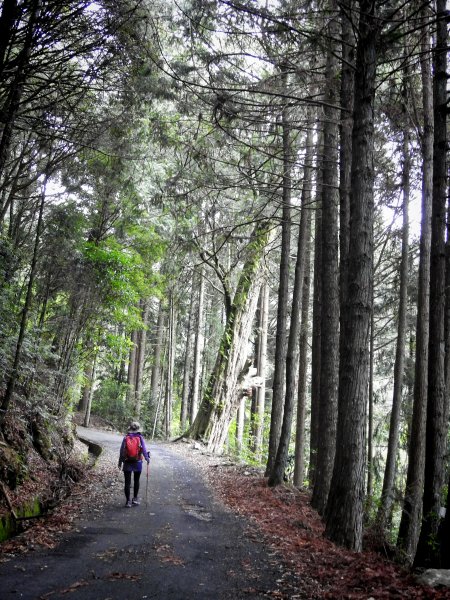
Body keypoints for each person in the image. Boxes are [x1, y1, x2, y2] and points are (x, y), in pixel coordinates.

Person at [118, 421, 150, 508]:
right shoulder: (140, 437)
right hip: (137, 462)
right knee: (136, 480)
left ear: (130, 429)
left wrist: (120, 461)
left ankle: (128, 501)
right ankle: (135, 499)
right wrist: (147, 458)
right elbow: (144, 450)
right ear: (138, 429)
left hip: (127, 462)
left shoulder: (126, 437)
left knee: (127, 483)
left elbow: (122, 450)